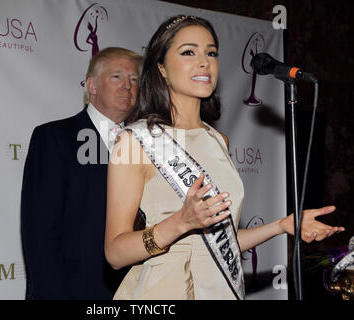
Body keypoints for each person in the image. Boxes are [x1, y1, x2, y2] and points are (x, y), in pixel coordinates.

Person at [104, 15, 345, 300]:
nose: (204, 62)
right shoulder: (135, 141)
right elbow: (115, 253)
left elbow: (221, 244)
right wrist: (181, 222)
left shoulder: (218, 140)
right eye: (188, 52)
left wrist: (281, 226)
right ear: (162, 68)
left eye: (211, 53)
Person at [21, 47, 142, 299]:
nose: (127, 86)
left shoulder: (148, 145)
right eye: (116, 77)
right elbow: (40, 232)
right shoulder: (54, 138)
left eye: (133, 79)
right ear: (92, 86)